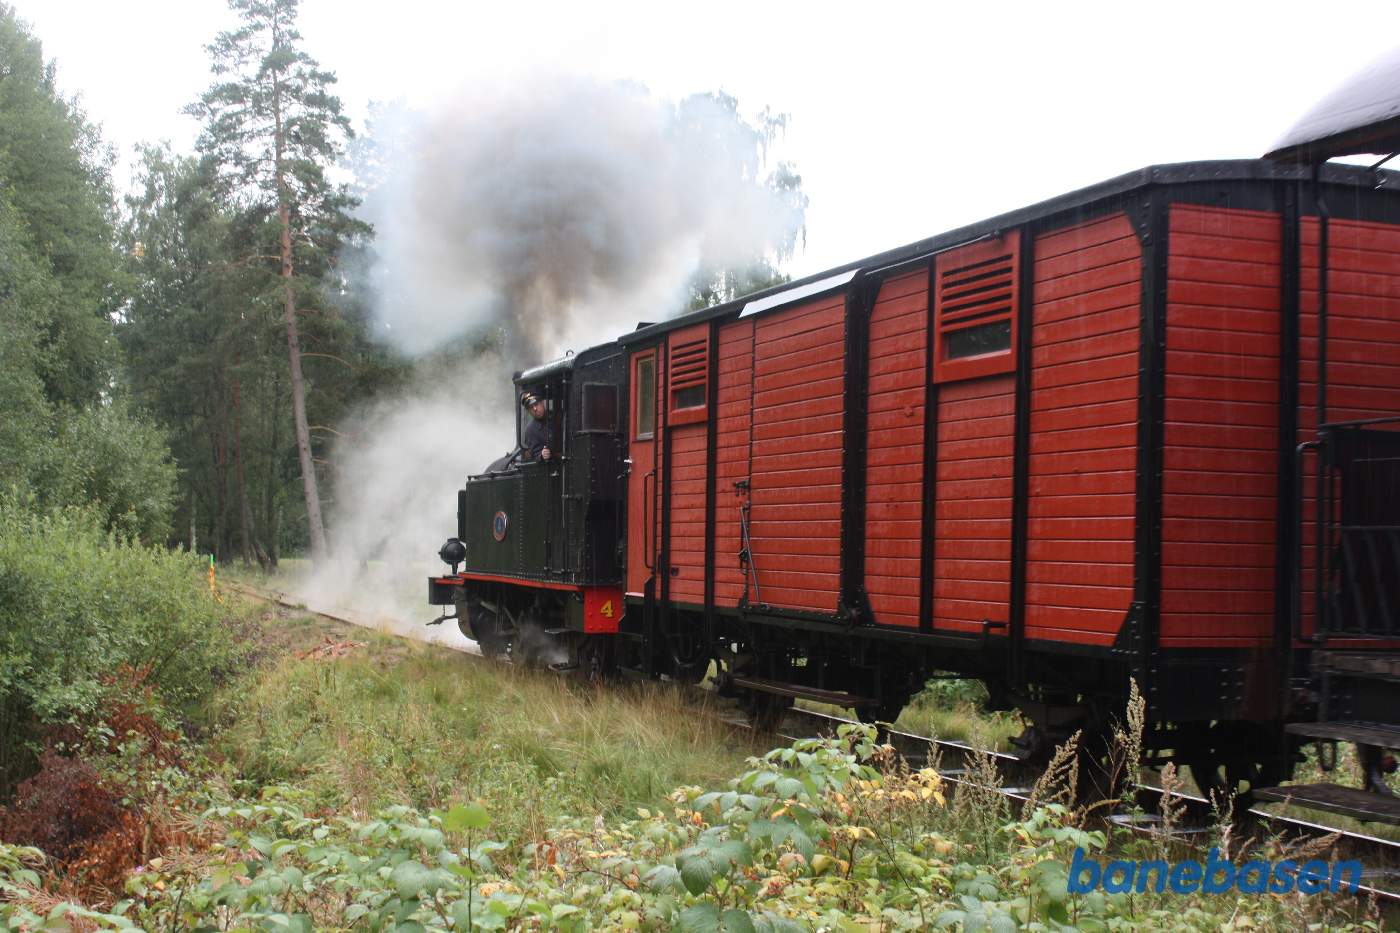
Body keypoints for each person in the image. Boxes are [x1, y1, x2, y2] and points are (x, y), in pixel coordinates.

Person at [521, 391, 552, 461]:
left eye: (536, 404)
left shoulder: (558, 415)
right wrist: (542, 455)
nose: (534, 409)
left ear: (542, 403)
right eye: (531, 407)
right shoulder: (530, 430)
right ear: (528, 411)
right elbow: (534, 454)